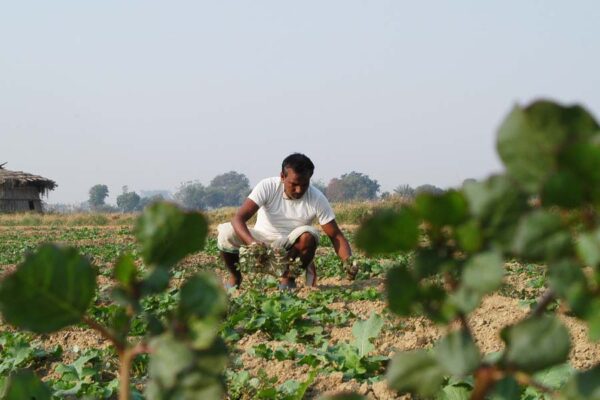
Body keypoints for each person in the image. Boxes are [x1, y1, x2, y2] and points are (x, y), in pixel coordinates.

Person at [217, 153, 353, 289]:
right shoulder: (268, 186)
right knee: (226, 232)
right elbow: (238, 219)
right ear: (282, 177)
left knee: (309, 234)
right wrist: (252, 244)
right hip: (261, 240)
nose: (299, 190)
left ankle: (288, 279)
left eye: (304, 184)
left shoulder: (317, 198)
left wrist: (348, 262)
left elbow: (335, 236)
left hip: (289, 247)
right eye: (294, 184)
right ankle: (235, 276)